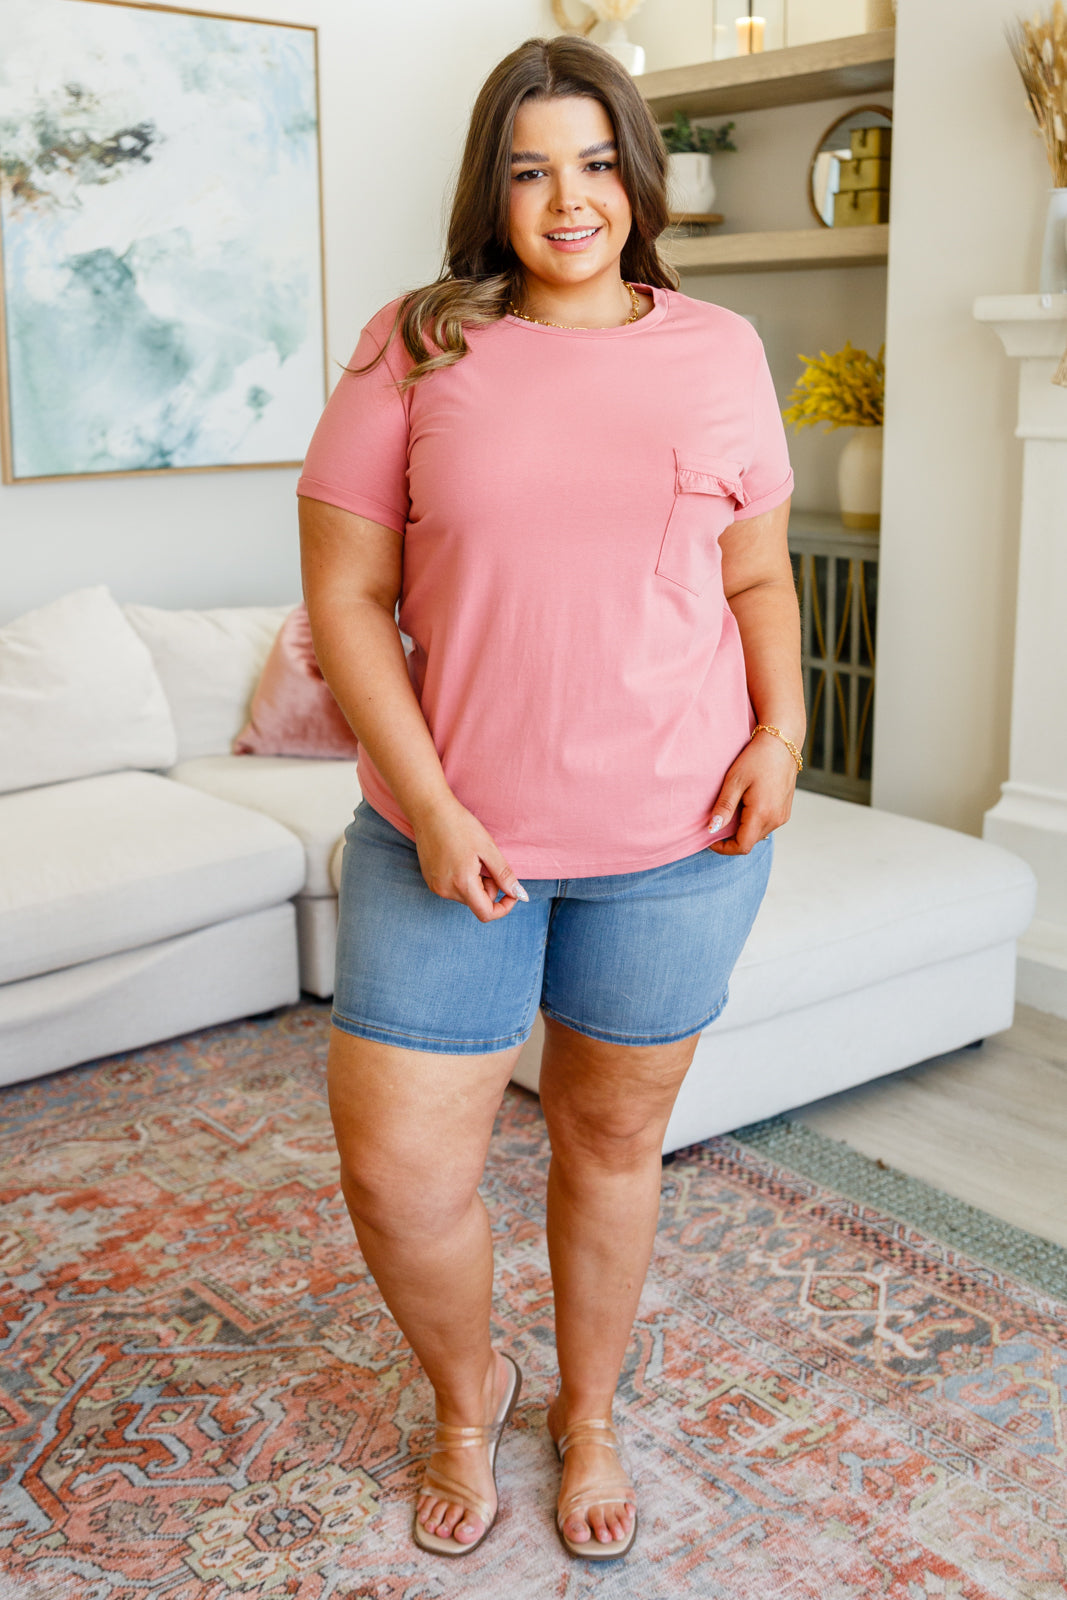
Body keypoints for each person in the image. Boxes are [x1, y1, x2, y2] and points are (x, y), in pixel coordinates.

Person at [297, 33, 804, 1563]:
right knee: (399, 1173)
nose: (567, 198)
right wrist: (436, 805)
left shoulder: (720, 348)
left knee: (610, 1145)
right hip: (442, 844)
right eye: (530, 170)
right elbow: (347, 598)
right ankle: (469, 1398)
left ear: (636, 177)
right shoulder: (416, 344)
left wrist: (783, 734)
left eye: (593, 162)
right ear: (491, 191)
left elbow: (758, 573)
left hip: (680, 844)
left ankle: (589, 1412)